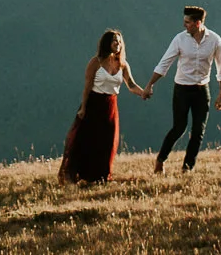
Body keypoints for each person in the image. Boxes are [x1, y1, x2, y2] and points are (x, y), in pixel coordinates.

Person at [58, 28, 151, 184]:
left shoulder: (122, 64)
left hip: (111, 105)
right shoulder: (96, 62)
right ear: (107, 43)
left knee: (107, 141)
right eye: (115, 41)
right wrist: (83, 108)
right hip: (94, 103)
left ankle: (102, 176)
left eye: (120, 42)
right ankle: (81, 175)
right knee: (88, 140)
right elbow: (87, 86)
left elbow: (131, 84)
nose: (118, 44)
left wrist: (143, 93)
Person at [149, 5, 221, 174]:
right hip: (182, 90)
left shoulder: (214, 40)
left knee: (199, 130)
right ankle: (161, 159)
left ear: (198, 23)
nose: (184, 25)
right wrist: (150, 84)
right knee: (179, 128)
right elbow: (165, 63)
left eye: (188, 22)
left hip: (202, 90)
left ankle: (187, 168)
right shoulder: (179, 39)